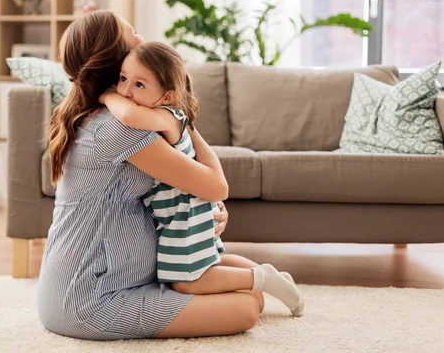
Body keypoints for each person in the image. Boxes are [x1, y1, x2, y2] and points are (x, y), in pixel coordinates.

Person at [37, 10, 289, 341]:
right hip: (91, 297)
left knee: (237, 284)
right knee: (247, 307)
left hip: (122, 276)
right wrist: (178, 122)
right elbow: (217, 185)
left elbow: (183, 187)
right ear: (117, 59)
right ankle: (259, 279)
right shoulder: (118, 128)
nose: (142, 39)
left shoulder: (120, 114)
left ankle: (259, 278)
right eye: (133, 33)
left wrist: (176, 124)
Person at [98, 41, 303, 316]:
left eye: (139, 85)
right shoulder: (165, 115)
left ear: (167, 96)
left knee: (185, 282)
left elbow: (128, 114)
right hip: (188, 207)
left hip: (183, 213)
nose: (125, 90)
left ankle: (262, 278)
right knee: (212, 264)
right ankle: (273, 277)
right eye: (123, 79)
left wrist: (105, 96)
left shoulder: (167, 117)